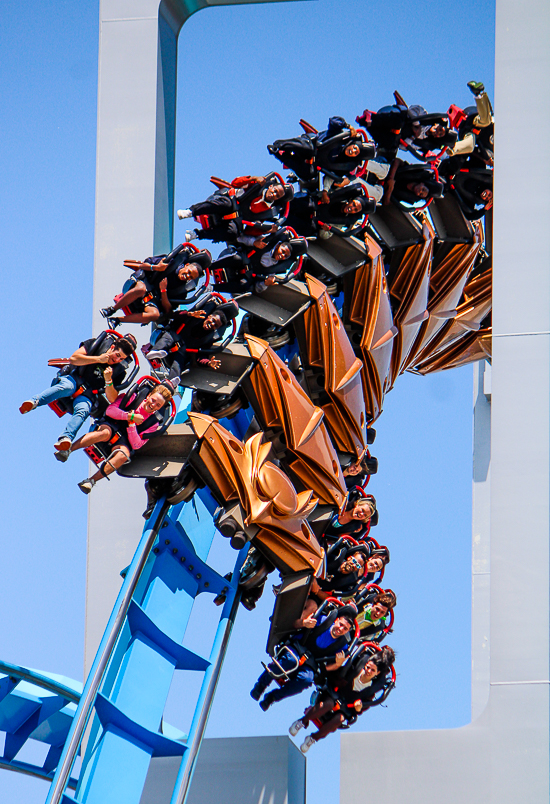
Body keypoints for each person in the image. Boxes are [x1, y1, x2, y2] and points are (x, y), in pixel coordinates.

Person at [19, 333, 137, 457]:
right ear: (112, 347)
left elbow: (112, 398)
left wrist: (108, 380)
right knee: (66, 387)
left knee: (84, 409)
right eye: (117, 355)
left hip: (89, 394)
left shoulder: (118, 371)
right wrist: (98, 359)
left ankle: (65, 438)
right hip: (74, 379)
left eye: (121, 359)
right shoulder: (95, 345)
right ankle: (34, 402)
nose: (117, 360)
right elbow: (74, 358)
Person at [69, 381, 174, 494]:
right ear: (148, 396)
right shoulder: (134, 397)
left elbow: (137, 444)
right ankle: (69, 449)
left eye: (158, 405)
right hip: (112, 425)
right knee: (105, 433)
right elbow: (110, 411)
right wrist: (130, 416)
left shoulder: (153, 423)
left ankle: (91, 481)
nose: (153, 405)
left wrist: (132, 424)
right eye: (153, 400)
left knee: (124, 455)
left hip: (124, 440)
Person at [290, 644, 395, 752]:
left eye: (372, 670)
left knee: (340, 719)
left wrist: (358, 707)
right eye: (367, 667)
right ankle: (302, 722)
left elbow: (362, 708)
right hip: (334, 692)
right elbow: (339, 674)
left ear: (377, 673)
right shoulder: (356, 668)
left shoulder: (370, 691)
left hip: (347, 705)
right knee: (328, 704)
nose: (368, 671)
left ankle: (313, 738)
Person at [250, 605, 357, 711]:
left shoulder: (342, 645)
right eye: (341, 624)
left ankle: (272, 697)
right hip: (299, 646)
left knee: (306, 680)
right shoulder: (322, 620)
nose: (341, 629)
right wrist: (304, 623)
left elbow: (330, 668)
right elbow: (296, 624)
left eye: (345, 628)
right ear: (336, 620)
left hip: (312, 661)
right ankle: (261, 684)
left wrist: (337, 664)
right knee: (289, 660)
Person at [100, 248, 209, 326]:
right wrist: (156, 268)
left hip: (153, 298)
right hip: (144, 282)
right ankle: (111, 310)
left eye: (190, 277)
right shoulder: (171, 261)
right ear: (186, 266)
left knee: (155, 314)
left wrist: (163, 291)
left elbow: (168, 310)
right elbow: (142, 264)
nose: (187, 276)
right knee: (141, 289)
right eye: (188, 272)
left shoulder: (183, 291)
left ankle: (117, 320)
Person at [179, 174, 293, 244]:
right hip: (232, 201)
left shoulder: (267, 212)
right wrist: (252, 178)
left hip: (239, 219)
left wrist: (267, 230)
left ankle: (197, 234)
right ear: (271, 186)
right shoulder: (257, 185)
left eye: (277, 195)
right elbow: (235, 182)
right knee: (226, 204)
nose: (274, 194)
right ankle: (191, 211)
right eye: (275, 191)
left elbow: (251, 230)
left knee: (233, 233)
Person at [145, 297, 239, 380]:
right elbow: (174, 315)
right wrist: (189, 314)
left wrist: (208, 363)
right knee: (167, 339)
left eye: (216, 325)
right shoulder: (197, 314)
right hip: (173, 335)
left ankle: (172, 381)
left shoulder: (209, 338)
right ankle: (156, 351)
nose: (212, 324)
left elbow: (201, 356)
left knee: (178, 365)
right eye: (213, 320)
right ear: (209, 316)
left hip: (181, 351)